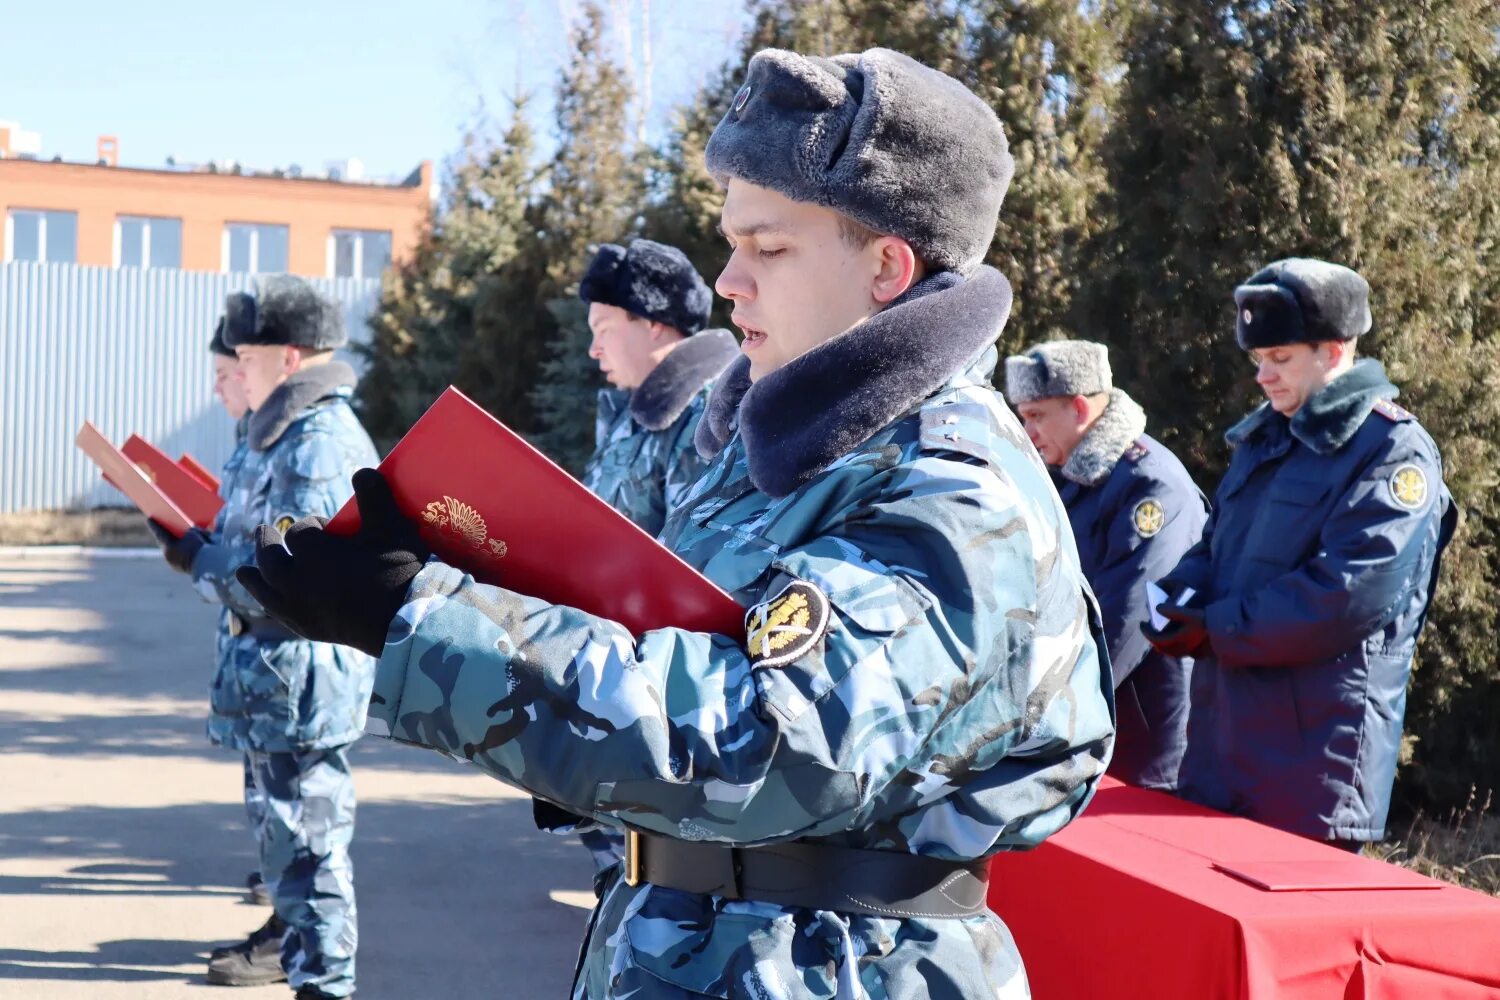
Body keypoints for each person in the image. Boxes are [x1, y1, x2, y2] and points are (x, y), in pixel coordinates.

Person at [240, 47, 1114, 998]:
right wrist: (462, 569)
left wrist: (424, 618)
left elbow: (768, 744)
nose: (730, 279)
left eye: (769, 247)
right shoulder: (787, 449)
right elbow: (665, 638)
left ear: (888, 269)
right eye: (730, 241)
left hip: (838, 969)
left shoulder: (950, 483)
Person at [1147, 258, 1457, 848]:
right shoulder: (1267, 437)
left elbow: (1347, 594)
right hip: (1223, 747)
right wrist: (1177, 602)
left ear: (1334, 350)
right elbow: (1218, 545)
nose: (1264, 375)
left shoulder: (1392, 450)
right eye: (1258, 359)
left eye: (1281, 358)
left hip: (1312, 766)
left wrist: (1214, 630)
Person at [153, 277, 377, 998]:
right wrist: (198, 541)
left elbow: (297, 581)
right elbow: (249, 538)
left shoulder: (318, 442)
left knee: (310, 850)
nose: (236, 369)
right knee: (288, 843)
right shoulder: (281, 433)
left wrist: (202, 560)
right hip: (273, 680)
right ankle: (300, 958)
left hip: (300, 678)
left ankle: (325, 986)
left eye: (245, 357)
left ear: (289, 356)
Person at [548, 238, 740, 872]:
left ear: (654, 323)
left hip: (653, 692)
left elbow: (689, 570)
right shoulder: (638, 412)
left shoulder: (707, 411)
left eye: (604, 328)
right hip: (611, 672)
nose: (593, 348)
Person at [1006, 341, 1208, 791]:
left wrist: (1044, 714)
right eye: (1022, 417)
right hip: (1076, 723)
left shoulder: (1151, 485)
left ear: (1079, 407)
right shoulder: (1060, 474)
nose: (1027, 430)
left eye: (1036, 415)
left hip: (1134, 736)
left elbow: (1129, 616)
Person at [153, 301, 271, 907]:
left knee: (297, 808)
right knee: (270, 797)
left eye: (230, 371)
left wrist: (201, 554)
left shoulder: (292, 444)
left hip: (285, 661)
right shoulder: (250, 438)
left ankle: (294, 917)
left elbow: (276, 557)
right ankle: (283, 887)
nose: (223, 384)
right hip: (254, 654)